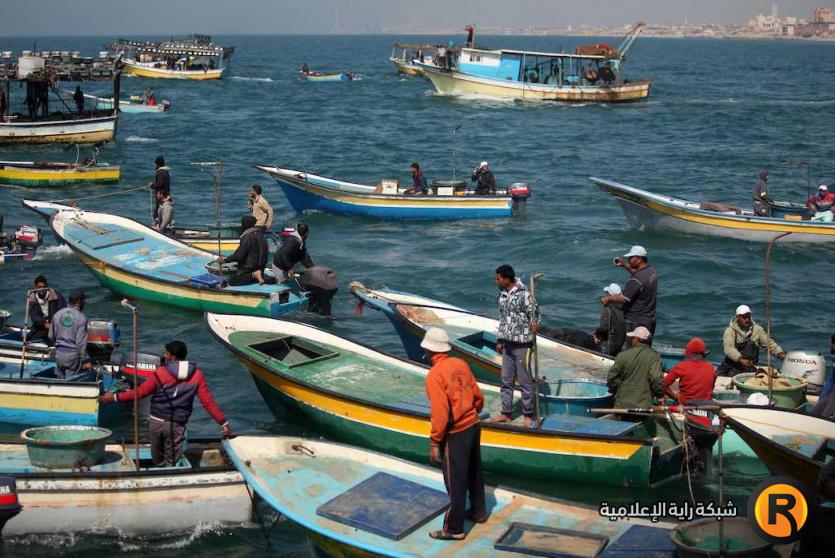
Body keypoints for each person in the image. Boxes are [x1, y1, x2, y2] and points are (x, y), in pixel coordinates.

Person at [98, 340, 230, 467]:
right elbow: (207, 401)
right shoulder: (197, 375)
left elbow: (140, 393)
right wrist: (223, 423)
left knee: (157, 459)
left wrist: (114, 397)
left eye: (166, 353)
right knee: (172, 461)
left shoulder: (161, 373)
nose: (164, 356)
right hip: (177, 425)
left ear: (173, 357)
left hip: (156, 423)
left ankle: (160, 468)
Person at [422, 327, 486, 541]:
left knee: (455, 480)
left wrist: (435, 441)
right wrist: (471, 413)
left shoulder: (434, 375)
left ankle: (454, 529)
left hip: (456, 432)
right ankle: (478, 512)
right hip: (473, 425)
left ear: (429, 351)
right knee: (474, 471)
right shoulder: (461, 363)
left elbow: (440, 413)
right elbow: (478, 396)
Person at [492, 264, 539, 427]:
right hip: (507, 344)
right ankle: (506, 413)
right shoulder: (502, 296)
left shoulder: (524, 295)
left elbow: (536, 314)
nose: (496, 281)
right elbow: (502, 318)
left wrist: (535, 325)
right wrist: (500, 340)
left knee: (525, 381)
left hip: (522, 344)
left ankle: (528, 414)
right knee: (506, 380)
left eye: (498, 279)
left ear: (506, 279)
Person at [663, 337, 718, 474]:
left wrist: (675, 396)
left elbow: (662, 385)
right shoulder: (711, 368)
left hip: (687, 409)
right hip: (706, 411)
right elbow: (710, 388)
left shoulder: (681, 366)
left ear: (688, 353)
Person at [601, 245, 658, 338]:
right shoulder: (651, 271)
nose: (629, 260)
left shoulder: (636, 281)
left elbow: (624, 298)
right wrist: (624, 265)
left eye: (631, 258)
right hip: (649, 319)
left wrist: (608, 298)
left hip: (635, 321)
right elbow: (638, 274)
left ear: (639, 259)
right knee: (645, 343)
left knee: (632, 344)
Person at [716, 305, 785, 377]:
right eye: (744, 317)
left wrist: (779, 353)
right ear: (737, 317)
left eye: (748, 317)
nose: (747, 320)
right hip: (732, 365)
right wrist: (740, 360)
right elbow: (729, 349)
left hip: (750, 366)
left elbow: (769, 344)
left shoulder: (757, 329)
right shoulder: (730, 331)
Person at [606, 326, 663, 409]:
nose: (631, 340)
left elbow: (611, 377)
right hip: (643, 405)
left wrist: (619, 388)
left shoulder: (623, 355)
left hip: (621, 404)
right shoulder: (655, 357)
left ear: (637, 339)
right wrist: (660, 395)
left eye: (632, 338)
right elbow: (655, 378)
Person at [49, 289, 89, 378]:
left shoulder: (57, 314)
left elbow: (50, 336)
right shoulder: (81, 318)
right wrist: (86, 359)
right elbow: (80, 343)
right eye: (83, 300)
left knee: (60, 379)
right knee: (70, 381)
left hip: (59, 354)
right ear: (79, 301)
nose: (85, 303)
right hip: (72, 357)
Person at [217, 215, 268, 286]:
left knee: (232, 281)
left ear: (244, 225)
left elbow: (239, 255)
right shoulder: (260, 234)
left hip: (249, 268)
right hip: (261, 267)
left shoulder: (247, 237)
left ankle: (254, 275)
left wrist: (225, 260)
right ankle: (257, 275)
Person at [26, 275, 65, 343]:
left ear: (47, 286)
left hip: (56, 326)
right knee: (29, 340)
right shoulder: (32, 299)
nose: (42, 289)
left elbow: (63, 309)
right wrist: (44, 324)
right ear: (35, 287)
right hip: (40, 327)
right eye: (40, 287)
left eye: (44, 286)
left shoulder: (55, 295)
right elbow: (34, 317)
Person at [593, 283, 626, 356]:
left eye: (607, 293)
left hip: (608, 346)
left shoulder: (607, 309)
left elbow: (604, 327)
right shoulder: (625, 308)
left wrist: (596, 334)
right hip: (620, 344)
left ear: (609, 295)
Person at [147, 156, 171, 222]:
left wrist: (152, 185)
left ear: (158, 164)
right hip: (166, 194)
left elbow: (159, 184)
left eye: (156, 164)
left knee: (158, 209)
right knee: (162, 210)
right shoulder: (166, 172)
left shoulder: (160, 172)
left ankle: (156, 223)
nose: (155, 165)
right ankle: (162, 223)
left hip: (161, 195)